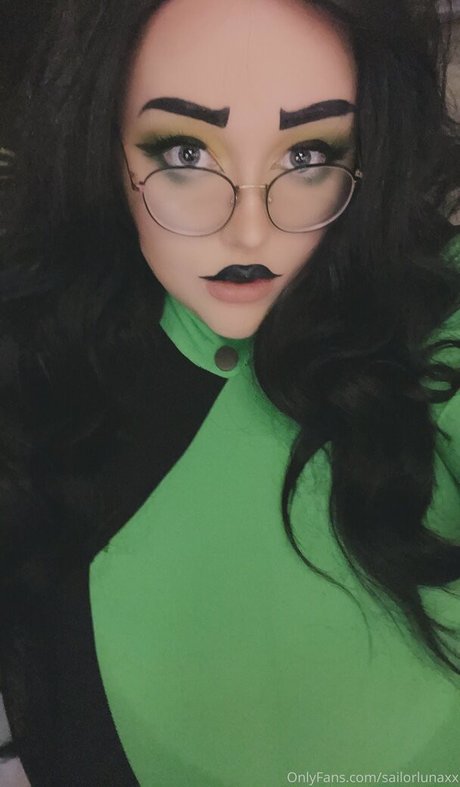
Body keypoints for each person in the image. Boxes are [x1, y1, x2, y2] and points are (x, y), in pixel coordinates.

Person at [0, 0, 459, 784]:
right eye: (186, 151)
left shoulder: (432, 322)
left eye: (307, 154)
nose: (249, 230)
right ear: (101, 142)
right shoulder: (32, 352)